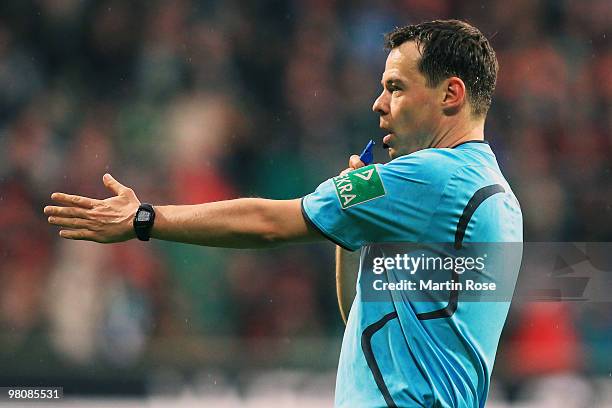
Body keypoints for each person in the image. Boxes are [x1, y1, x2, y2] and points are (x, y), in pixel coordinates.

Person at [45, 19, 522, 408]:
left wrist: (144, 219)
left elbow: (270, 223)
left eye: (395, 87)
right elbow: (357, 318)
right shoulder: (499, 198)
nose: (378, 103)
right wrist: (359, 217)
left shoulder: (428, 177)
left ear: (450, 94)